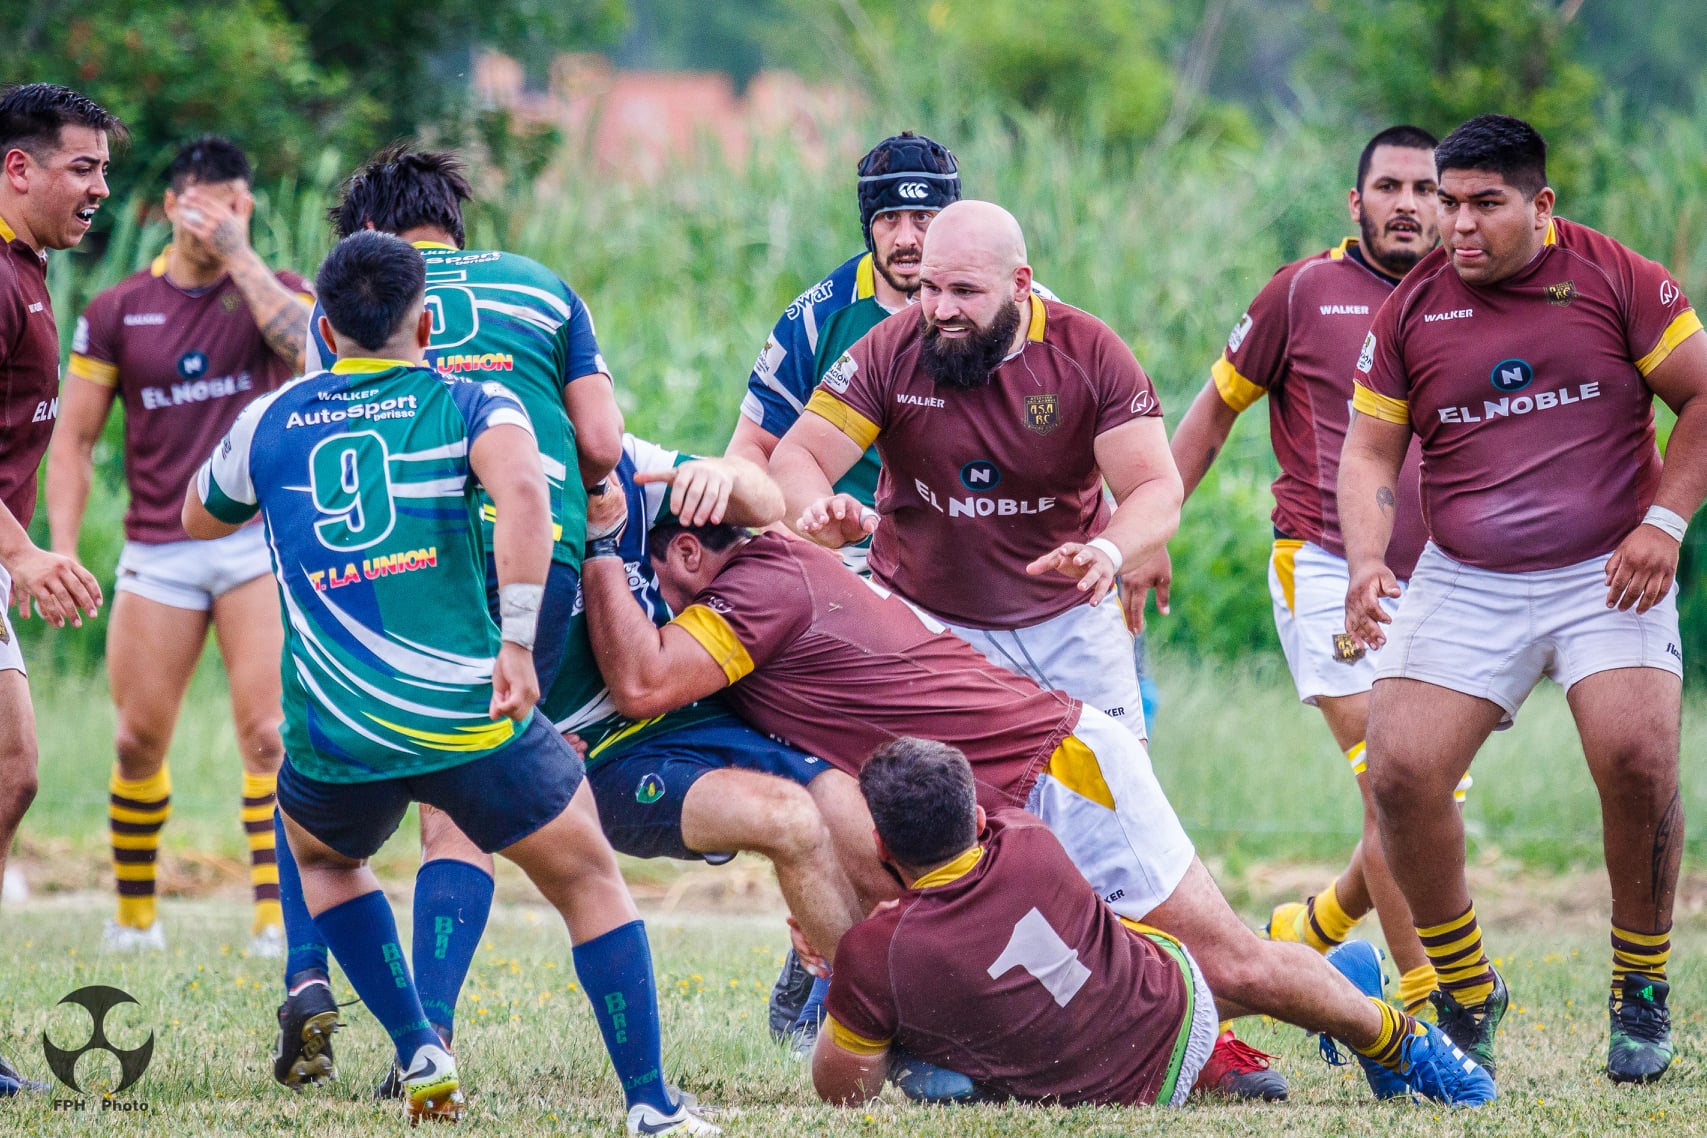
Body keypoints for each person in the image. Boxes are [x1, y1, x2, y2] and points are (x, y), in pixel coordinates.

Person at [577, 504, 1497, 1107]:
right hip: (995, 799)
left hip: (1056, 772)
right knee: (1086, 999)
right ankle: (1333, 980)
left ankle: (1401, 1041)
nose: (652, 606)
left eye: (651, 580)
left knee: (1228, 968)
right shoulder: (776, 567)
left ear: (689, 552)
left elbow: (643, 681)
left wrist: (598, 548)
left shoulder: (754, 587)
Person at [183, 230, 716, 1134]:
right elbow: (526, 497)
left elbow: (199, 516)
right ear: (425, 325)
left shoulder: (268, 420)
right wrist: (518, 644)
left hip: (339, 730)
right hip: (467, 712)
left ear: (323, 329)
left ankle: (418, 1045)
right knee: (589, 879)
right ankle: (651, 1104)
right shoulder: (472, 401)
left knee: (323, 860)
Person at [1341, 114, 1707, 1085]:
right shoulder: (1411, 310)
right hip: (1465, 575)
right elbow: (1370, 451)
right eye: (1447, 202)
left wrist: (1664, 524)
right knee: (1399, 772)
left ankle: (1640, 985)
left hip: (1609, 566)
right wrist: (1368, 561)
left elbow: (1703, 396)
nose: (1457, 224)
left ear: (1541, 203)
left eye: (1484, 204)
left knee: (1636, 756)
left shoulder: (1617, 278)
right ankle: (1467, 988)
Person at [271, 145, 624, 1093]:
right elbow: (599, 442)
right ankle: (433, 1033)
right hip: (534, 561)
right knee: (459, 813)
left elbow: (319, 427)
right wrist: (592, 493)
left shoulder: (342, 312)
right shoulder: (542, 287)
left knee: (312, 786)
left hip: (402, 571)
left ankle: (313, 978)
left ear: (365, 241)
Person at [1149, 126, 1453, 1015]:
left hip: (1447, 580)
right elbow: (1210, 416)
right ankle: (1431, 998)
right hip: (1322, 565)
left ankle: (1311, 927)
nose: (1407, 204)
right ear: (1355, 202)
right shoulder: (1302, 291)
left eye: (1425, 190)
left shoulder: (1467, 296)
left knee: (1418, 794)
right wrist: (1149, 529)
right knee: (1390, 787)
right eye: (1389, 187)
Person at [50, 136, 313, 956]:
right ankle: (134, 918)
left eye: (230, 206)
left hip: (254, 544)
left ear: (247, 207)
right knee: (136, 740)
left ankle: (275, 918)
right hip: (160, 547)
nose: (212, 222)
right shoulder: (118, 310)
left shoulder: (275, 292)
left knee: (269, 736)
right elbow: (73, 441)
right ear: (169, 207)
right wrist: (62, 548)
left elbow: (312, 352)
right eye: (198, 206)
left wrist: (239, 254)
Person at [770, 200, 1162, 742]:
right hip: (923, 620)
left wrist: (1110, 550)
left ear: (1020, 284)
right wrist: (818, 508)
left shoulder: (1089, 353)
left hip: (1069, 621)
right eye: (930, 288)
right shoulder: (890, 349)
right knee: (915, 792)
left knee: (1118, 789)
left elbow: (1153, 485)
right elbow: (797, 457)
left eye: (964, 291)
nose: (942, 310)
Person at [542, 434, 879, 968]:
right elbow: (636, 687)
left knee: (851, 803)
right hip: (601, 756)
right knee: (788, 817)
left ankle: (847, 984)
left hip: (692, 718)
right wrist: (525, 737)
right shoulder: (494, 482)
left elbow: (766, 502)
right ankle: (859, 1003)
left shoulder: (627, 463)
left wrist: (725, 473)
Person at [811, 737, 1217, 1108]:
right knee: (1098, 924)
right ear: (977, 821)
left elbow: (844, 1092)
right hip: (1186, 1011)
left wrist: (863, 958)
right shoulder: (1028, 835)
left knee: (913, 1045)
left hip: (1108, 1102)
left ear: (881, 845)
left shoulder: (875, 952)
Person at [0, 81, 123, 1098]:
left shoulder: (27, 269)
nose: (100, 190)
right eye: (82, 168)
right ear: (18, 168)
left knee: (14, 774)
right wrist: (24, 555)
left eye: (104, 170)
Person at [726, 130, 960, 573]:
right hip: (853, 559)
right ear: (867, 225)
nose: (906, 239)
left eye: (923, 218)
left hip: (980, 555)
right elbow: (750, 449)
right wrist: (787, 537)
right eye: (888, 218)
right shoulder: (816, 317)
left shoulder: (1011, 306)